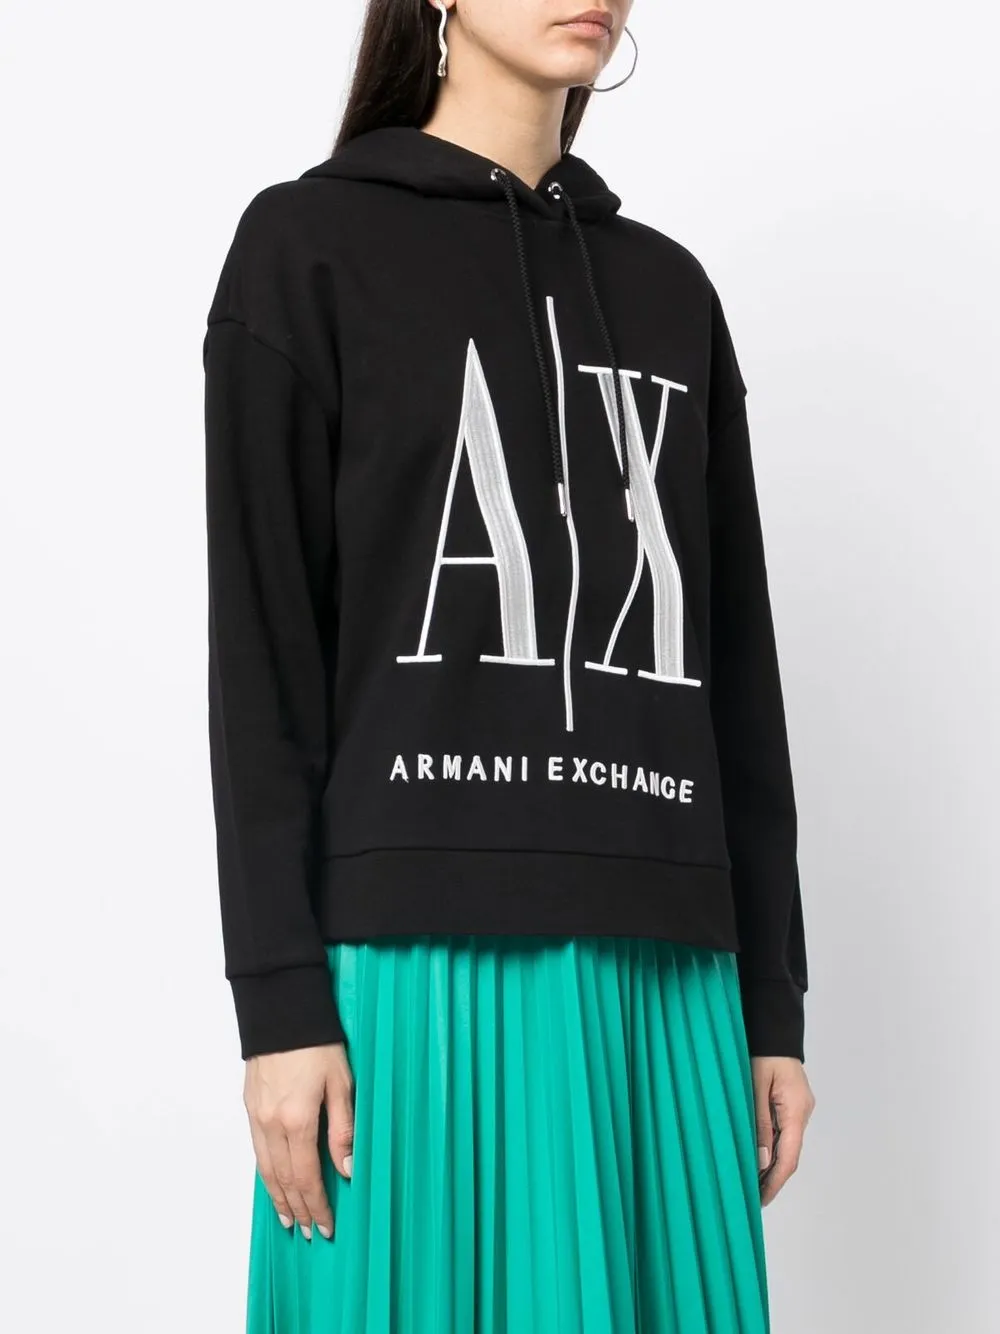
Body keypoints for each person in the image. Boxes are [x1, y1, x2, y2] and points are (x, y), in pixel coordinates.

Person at [202, 1, 816, 1330]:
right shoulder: (307, 250)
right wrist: (280, 1003)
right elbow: (262, 665)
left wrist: (773, 1003)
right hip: (412, 978)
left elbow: (738, 681)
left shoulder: (670, 294)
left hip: (664, 979)